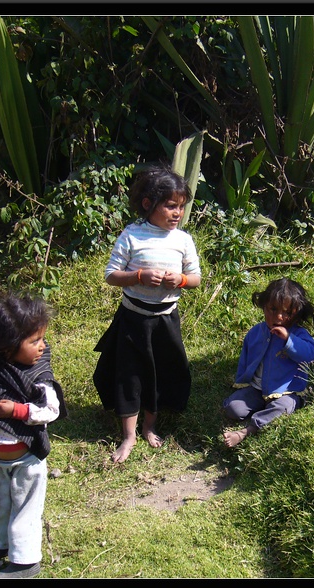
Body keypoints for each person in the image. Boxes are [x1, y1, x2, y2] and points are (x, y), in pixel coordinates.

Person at [93, 165, 202, 464]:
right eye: (170, 206)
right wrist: (138, 275)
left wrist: (179, 280)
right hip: (132, 319)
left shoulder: (183, 240)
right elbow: (111, 275)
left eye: (181, 207)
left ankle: (148, 427)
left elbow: (195, 279)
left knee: (159, 375)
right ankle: (127, 436)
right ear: (148, 204)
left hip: (166, 321)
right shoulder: (132, 235)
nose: (177, 213)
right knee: (129, 375)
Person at [0, 294, 66, 579]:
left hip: (26, 458)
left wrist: (16, 410)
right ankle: (2, 545)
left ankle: (26, 563)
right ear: (6, 348)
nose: (42, 346)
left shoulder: (38, 373)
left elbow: (50, 410)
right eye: (34, 341)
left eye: (42, 338)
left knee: (25, 509)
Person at [223, 277, 314, 448]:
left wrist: (289, 340)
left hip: (286, 391)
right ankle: (262, 405)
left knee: (282, 407)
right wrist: (241, 381)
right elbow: (246, 357)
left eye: (287, 313)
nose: (279, 317)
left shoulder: (298, 334)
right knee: (233, 408)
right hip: (258, 388)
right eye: (273, 309)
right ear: (263, 306)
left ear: (296, 313)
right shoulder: (256, 332)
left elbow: (310, 354)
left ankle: (247, 430)